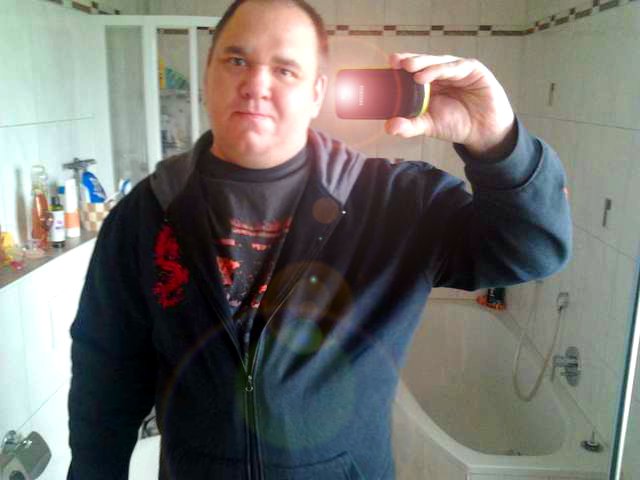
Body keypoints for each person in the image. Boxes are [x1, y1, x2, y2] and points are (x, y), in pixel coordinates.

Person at [67, 0, 572, 478]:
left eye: (285, 69)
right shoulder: (146, 214)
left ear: (316, 93)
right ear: (208, 74)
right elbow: (105, 376)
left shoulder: (398, 204)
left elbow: (533, 248)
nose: (256, 84)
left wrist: (498, 141)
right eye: (237, 60)